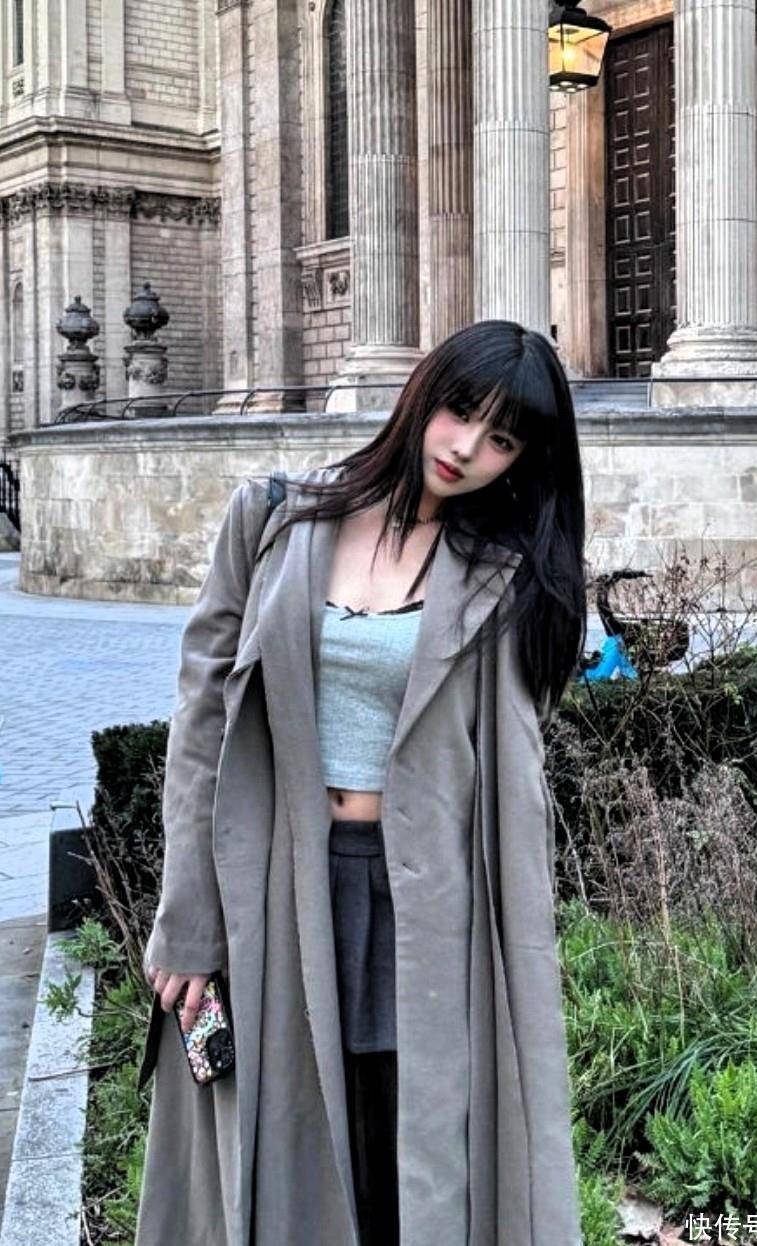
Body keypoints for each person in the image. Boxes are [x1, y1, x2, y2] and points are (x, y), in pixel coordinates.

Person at [135, 319, 588, 1246]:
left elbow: (514, 767)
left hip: (430, 899)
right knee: (288, 1143)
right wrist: (186, 919)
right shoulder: (273, 520)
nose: (467, 447)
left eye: (503, 439)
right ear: (423, 394)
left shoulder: (502, 577)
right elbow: (202, 726)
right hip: (280, 879)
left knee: (407, 1155)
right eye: (460, 411)